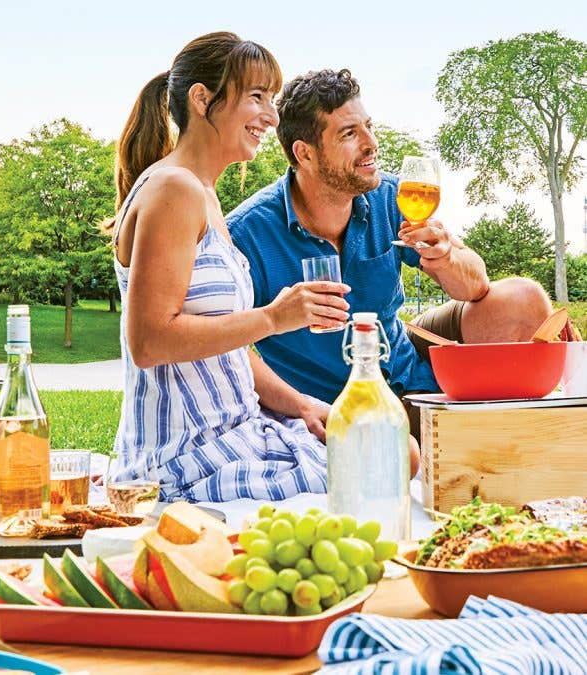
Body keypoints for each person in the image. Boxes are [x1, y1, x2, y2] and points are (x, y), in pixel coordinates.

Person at [227, 69, 553, 440]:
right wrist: (298, 404)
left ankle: (465, 406)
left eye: (368, 126)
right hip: (336, 407)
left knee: (523, 301)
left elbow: (475, 287)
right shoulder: (246, 234)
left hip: (404, 365)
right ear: (305, 154)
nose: (371, 143)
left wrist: (446, 258)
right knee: (414, 449)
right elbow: (224, 348)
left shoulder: (393, 196)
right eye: (349, 134)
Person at [109, 33, 363, 503]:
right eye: (257, 97)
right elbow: (148, 341)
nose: (272, 115)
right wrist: (273, 317)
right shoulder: (174, 190)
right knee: (377, 471)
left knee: (394, 452)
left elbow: (226, 345)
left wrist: (301, 404)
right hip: (185, 459)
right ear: (202, 100)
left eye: (272, 99)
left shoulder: (202, 195)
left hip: (236, 433)